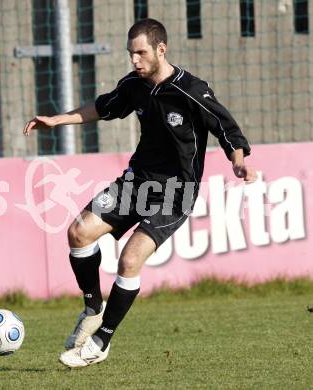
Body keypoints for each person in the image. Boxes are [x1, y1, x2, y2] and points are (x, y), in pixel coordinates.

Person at [23, 18, 257, 368]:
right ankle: (92, 309)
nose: (134, 60)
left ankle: (101, 342)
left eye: (141, 53)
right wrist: (56, 120)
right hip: (137, 182)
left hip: (177, 191)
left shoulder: (192, 90)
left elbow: (227, 128)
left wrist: (238, 162)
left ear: (162, 49)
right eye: (131, 53)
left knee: (130, 259)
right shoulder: (134, 85)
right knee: (78, 232)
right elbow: (101, 108)